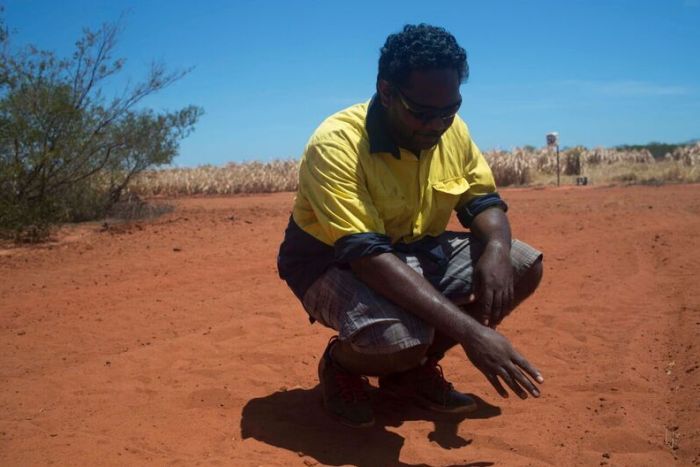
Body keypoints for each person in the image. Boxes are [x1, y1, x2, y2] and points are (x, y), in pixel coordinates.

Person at [277, 24, 544, 428]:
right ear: (387, 92)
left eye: (449, 110)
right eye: (422, 113)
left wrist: (497, 250)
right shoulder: (336, 144)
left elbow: (483, 202)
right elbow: (367, 256)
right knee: (399, 338)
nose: (438, 124)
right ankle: (342, 366)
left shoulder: (452, 131)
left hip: (415, 248)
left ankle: (410, 372)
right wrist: (473, 335)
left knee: (523, 264)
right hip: (331, 260)